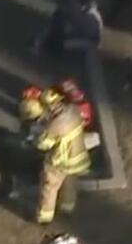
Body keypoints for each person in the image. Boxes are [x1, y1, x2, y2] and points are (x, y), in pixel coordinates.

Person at [34, 92, 91, 223]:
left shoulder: (56, 124)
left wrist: (37, 137)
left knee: (49, 188)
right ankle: (67, 208)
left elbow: (43, 144)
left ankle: (44, 217)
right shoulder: (73, 110)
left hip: (60, 162)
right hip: (78, 158)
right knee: (70, 184)